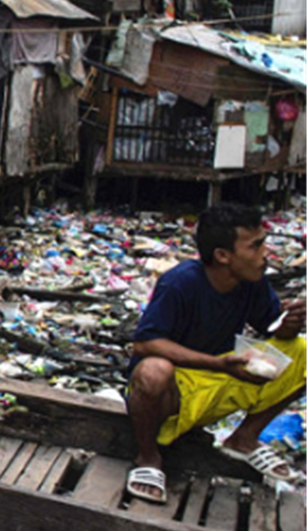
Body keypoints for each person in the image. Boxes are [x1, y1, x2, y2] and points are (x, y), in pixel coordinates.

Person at [125, 203, 305, 503]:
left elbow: (274, 331)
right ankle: (148, 457)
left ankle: (244, 438)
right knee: (153, 371)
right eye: (256, 245)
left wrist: (291, 324)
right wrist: (218, 364)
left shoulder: (253, 282)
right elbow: (145, 344)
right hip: (177, 391)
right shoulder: (180, 283)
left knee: (302, 350)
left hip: (223, 377)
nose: (266, 254)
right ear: (223, 255)